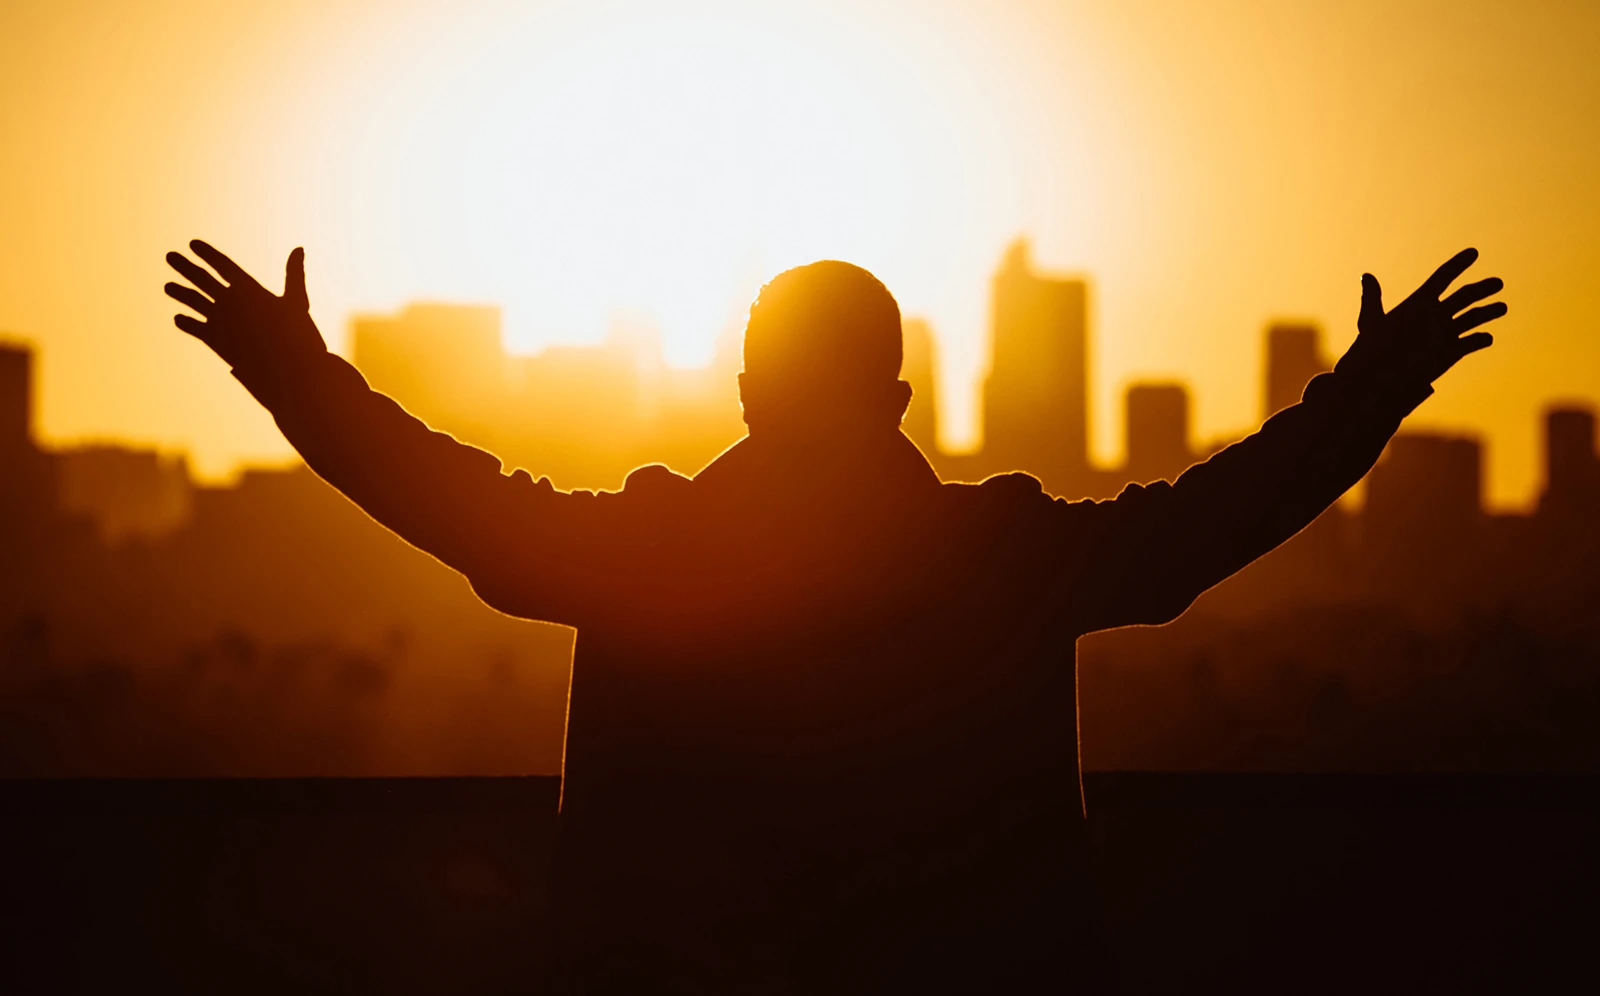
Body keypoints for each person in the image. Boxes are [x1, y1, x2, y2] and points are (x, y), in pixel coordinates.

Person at [165, 243, 1504, 993]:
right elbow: (1215, 516)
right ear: (902, 400)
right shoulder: (1005, 558)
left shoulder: (655, 551)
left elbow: (450, 498)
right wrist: (1371, 394)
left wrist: (295, 374)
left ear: (747, 394)